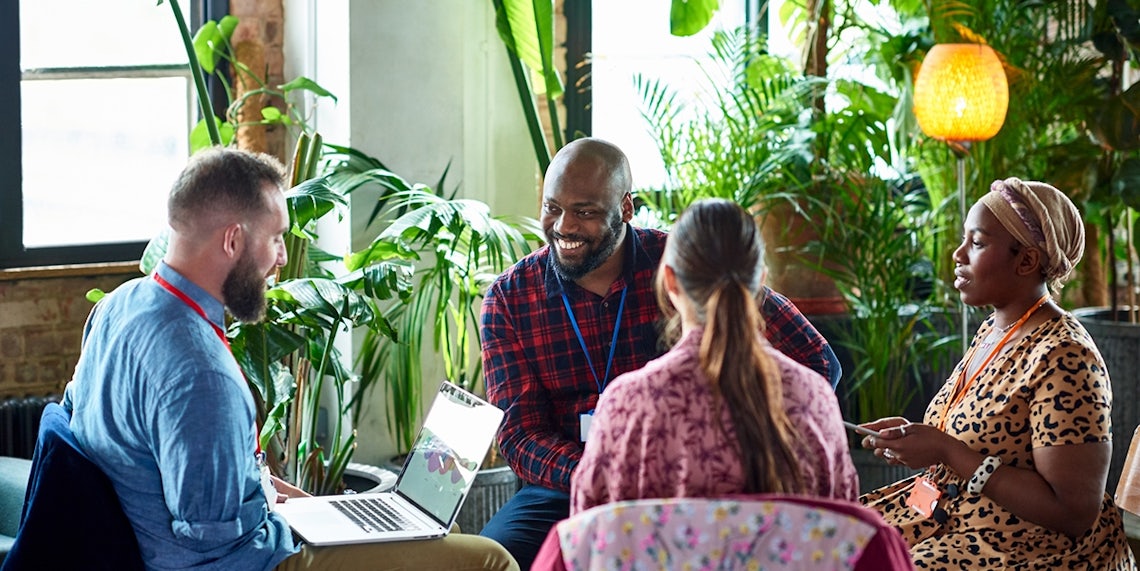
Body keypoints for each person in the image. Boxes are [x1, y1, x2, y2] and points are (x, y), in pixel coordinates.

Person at [62, 148, 517, 571]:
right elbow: (214, 545)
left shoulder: (119, 306)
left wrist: (297, 504)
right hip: (245, 563)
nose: (281, 258)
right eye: (276, 238)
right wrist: (301, 524)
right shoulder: (201, 374)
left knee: (439, 533)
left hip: (212, 539)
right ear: (233, 241)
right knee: (489, 559)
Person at [479, 137, 842, 569]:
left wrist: (726, 448)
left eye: (585, 212)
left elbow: (817, 365)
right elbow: (519, 435)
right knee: (492, 557)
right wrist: (608, 473)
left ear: (626, 209)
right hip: (562, 487)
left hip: (692, 476)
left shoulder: (685, 267)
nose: (564, 226)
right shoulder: (509, 298)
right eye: (553, 207)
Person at [859, 177, 1137, 570]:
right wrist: (913, 438)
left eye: (976, 243)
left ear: (1025, 260)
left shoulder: (1065, 355)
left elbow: (1073, 513)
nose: (957, 254)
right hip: (948, 517)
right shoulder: (995, 330)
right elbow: (978, 439)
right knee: (831, 537)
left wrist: (944, 448)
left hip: (1022, 547)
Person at [570, 198, 857, 513]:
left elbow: (586, 540)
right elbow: (845, 532)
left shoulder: (628, 405)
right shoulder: (814, 398)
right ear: (760, 280)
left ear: (670, 281)